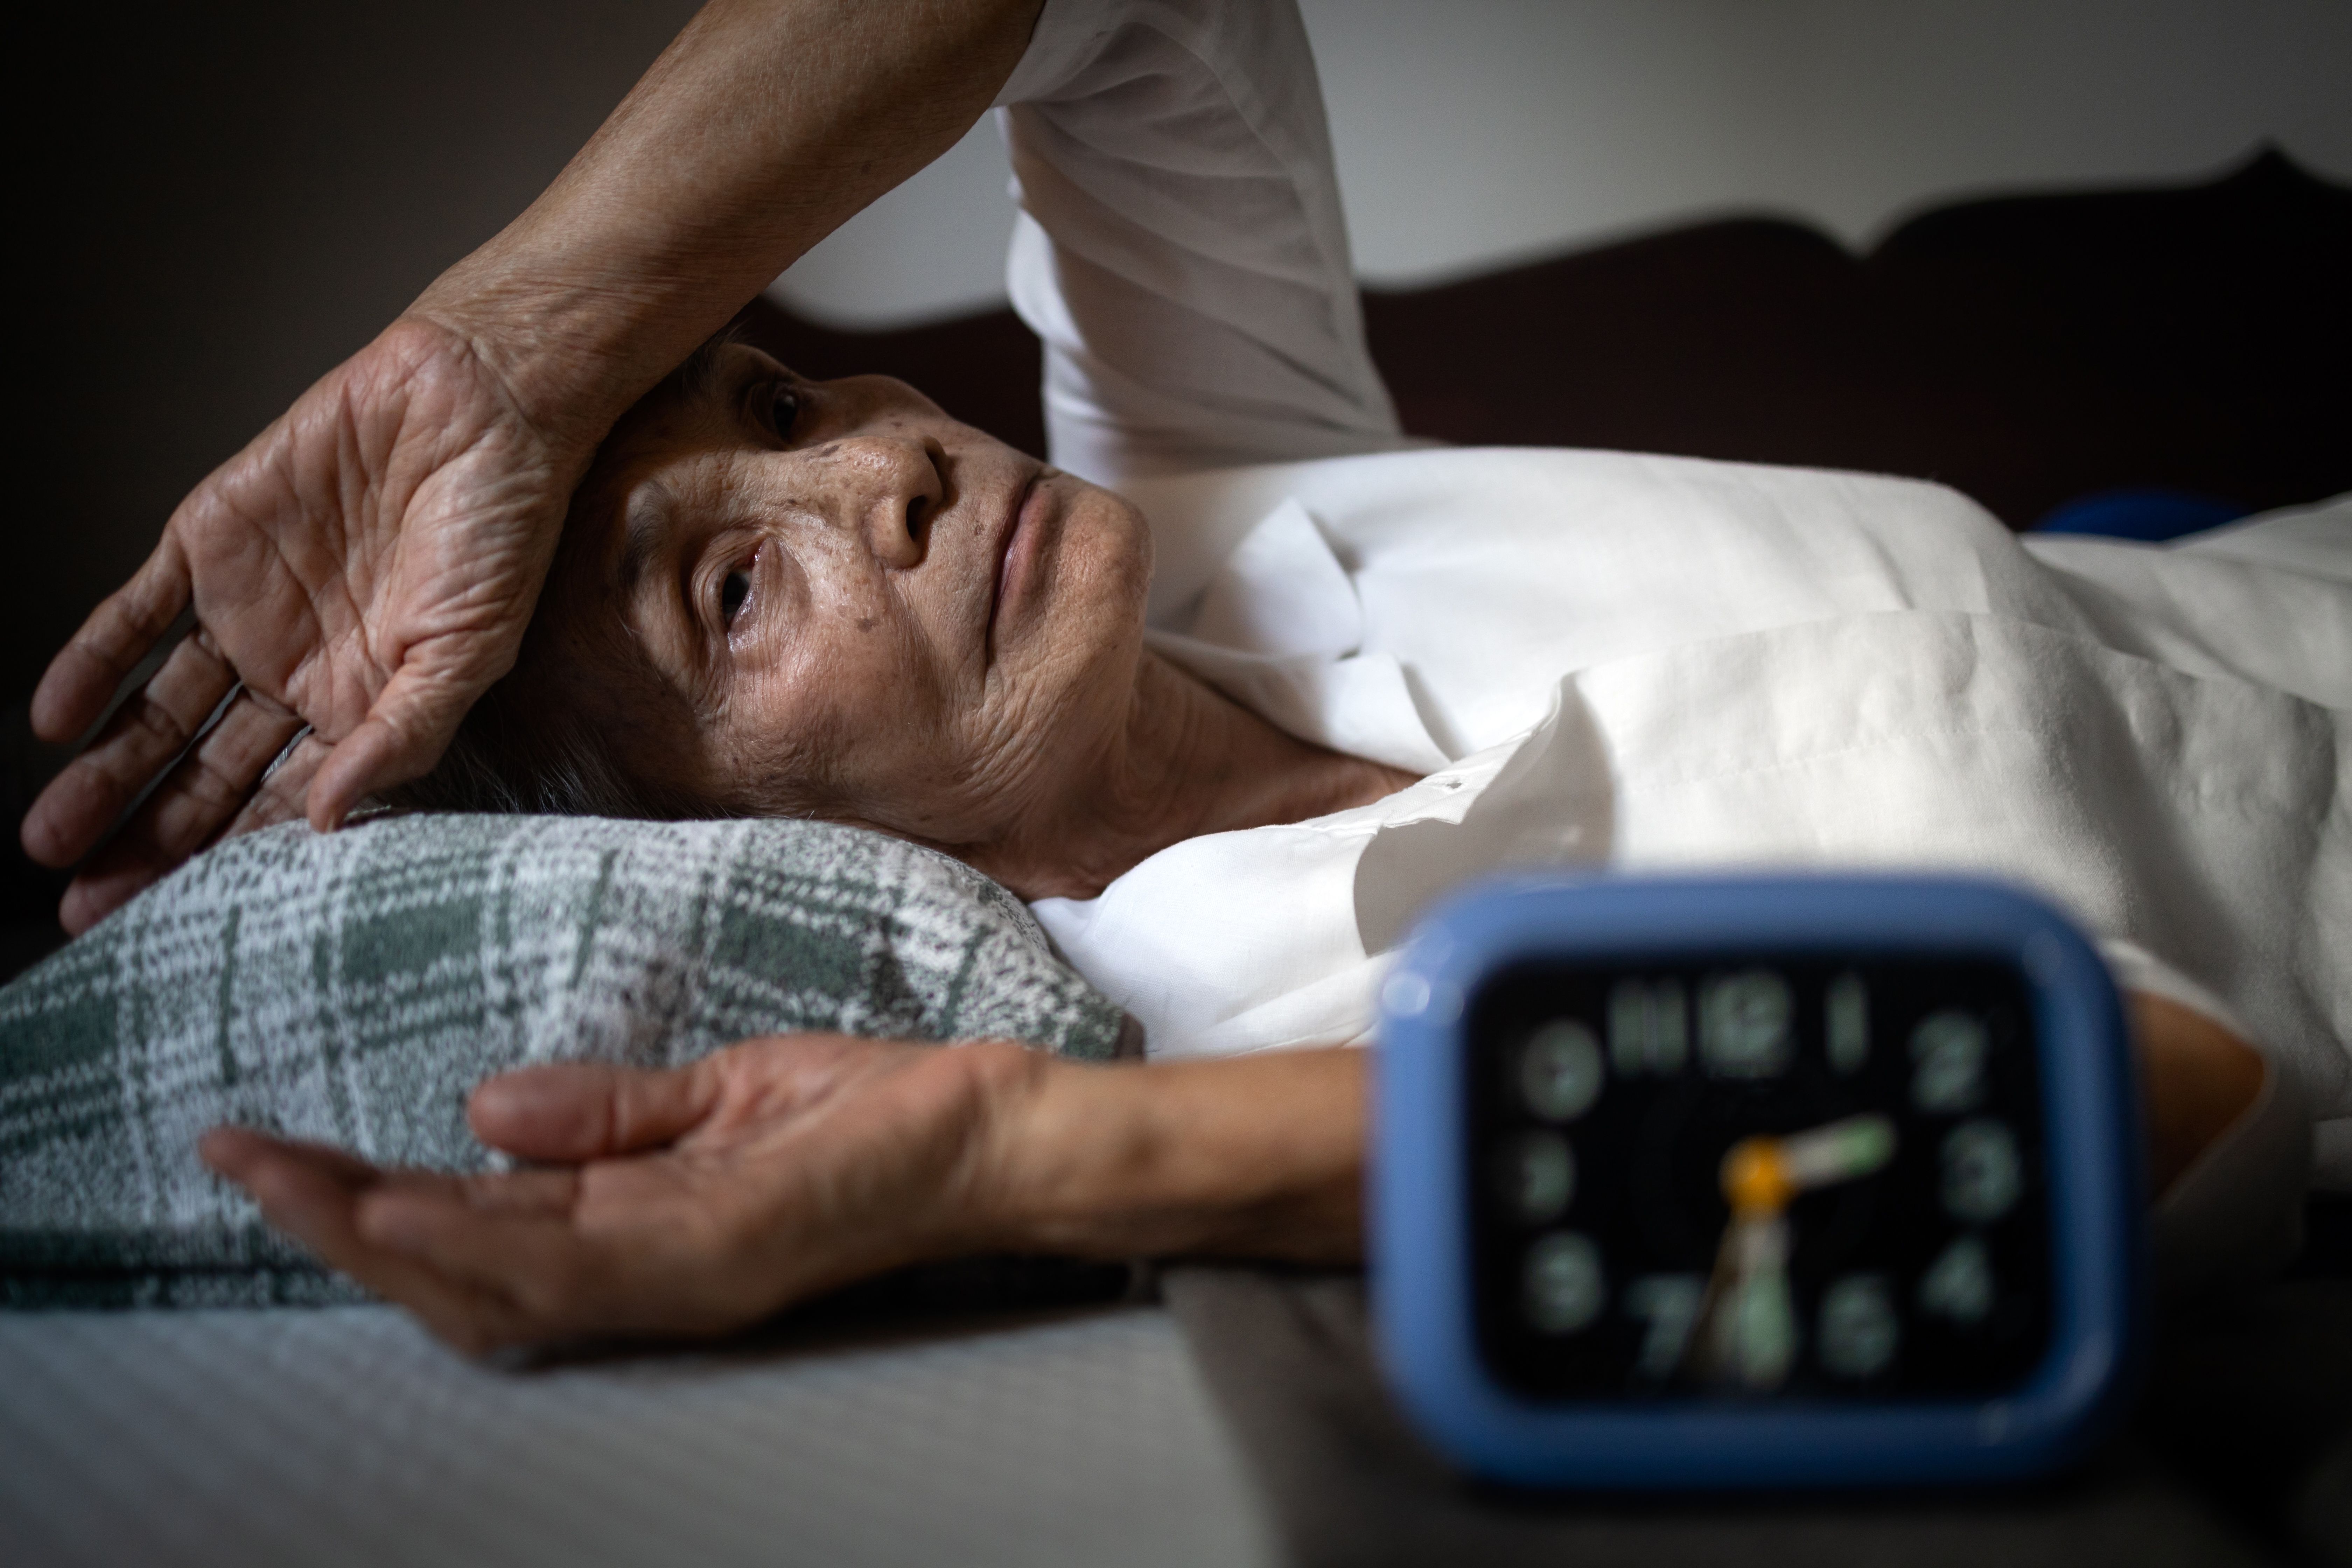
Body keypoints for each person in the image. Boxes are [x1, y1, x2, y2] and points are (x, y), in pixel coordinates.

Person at [24, 0, 2344, 1352]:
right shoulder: (1236, 1055)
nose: (884, 476)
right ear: (714, 841)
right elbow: (2090, 1092)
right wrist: (1026, 1161)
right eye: (726, 601)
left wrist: (521, 349)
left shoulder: (1231, 488)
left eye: (781, 405)